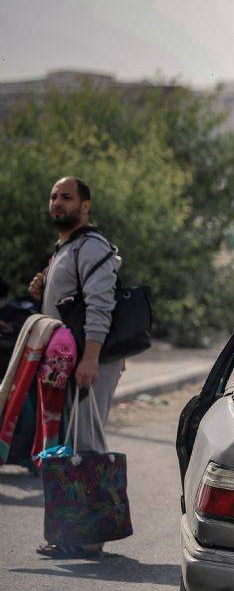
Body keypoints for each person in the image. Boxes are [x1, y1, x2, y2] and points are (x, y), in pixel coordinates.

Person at [29, 177, 124, 558]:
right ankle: (78, 532)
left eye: (66, 197)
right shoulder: (67, 248)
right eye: (53, 196)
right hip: (72, 363)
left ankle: (90, 536)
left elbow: (101, 305)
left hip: (90, 360)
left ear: (85, 205)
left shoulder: (91, 245)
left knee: (86, 445)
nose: (57, 203)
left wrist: (90, 358)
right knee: (76, 444)